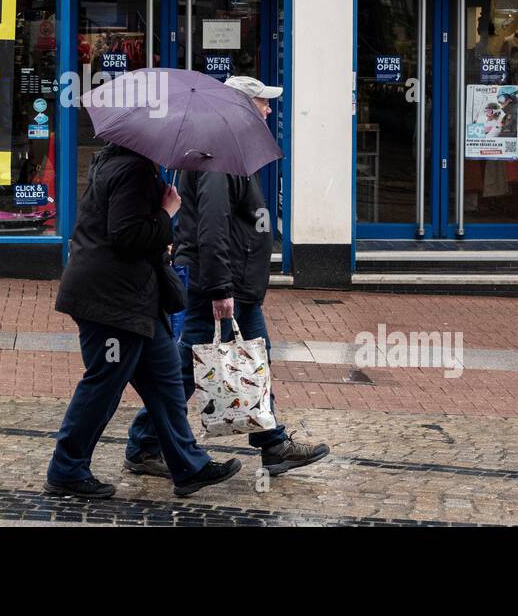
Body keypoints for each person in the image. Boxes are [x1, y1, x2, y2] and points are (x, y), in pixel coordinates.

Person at [124, 76, 330, 479]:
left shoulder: (224, 148)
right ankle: (147, 445)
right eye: (262, 103)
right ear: (239, 105)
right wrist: (221, 288)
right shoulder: (217, 152)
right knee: (193, 368)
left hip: (231, 283)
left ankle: (270, 445)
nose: (268, 110)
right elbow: (212, 226)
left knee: (241, 361)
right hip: (219, 284)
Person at [47, 141, 241, 499]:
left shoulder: (129, 165)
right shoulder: (132, 169)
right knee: (103, 386)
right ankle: (66, 469)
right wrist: (166, 214)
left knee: (166, 383)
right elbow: (125, 235)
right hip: (111, 302)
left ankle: (188, 466)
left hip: (136, 299)